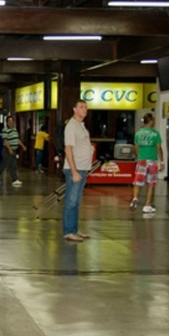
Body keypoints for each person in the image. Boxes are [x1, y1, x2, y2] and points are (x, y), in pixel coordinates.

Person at [63, 100, 92, 242]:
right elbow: (68, 149)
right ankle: (69, 231)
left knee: (76, 201)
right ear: (74, 109)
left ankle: (74, 229)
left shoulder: (82, 126)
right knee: (71, 201)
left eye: (86, 107)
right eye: (81, 107)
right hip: (75, 169)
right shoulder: (71, 126)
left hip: (83, 168)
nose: (84, 110)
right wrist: (74, 171)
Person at [130, 114, 164, 214]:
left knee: (137, 182)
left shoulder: (138, 133)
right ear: (151, 121)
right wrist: (161, 161)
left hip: (141, 160)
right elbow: (158, 148)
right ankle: (147, 205)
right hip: (152, 161)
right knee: (150, 184)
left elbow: (136, 147)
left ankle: (135, 198)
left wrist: (139, 156)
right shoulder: (155, 133)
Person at [0, 115, 26, 187]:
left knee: (13, 165)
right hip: (7, 150)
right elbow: (5, 141)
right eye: (9, 121)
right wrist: (10, 149)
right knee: (4, 164)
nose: (11, 122)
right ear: (7, 122)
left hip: (13, 150)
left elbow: (17, 139)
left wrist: (22, 146)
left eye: (12, 121)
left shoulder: (14, 130)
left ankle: (15, 179)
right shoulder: (5, 130)